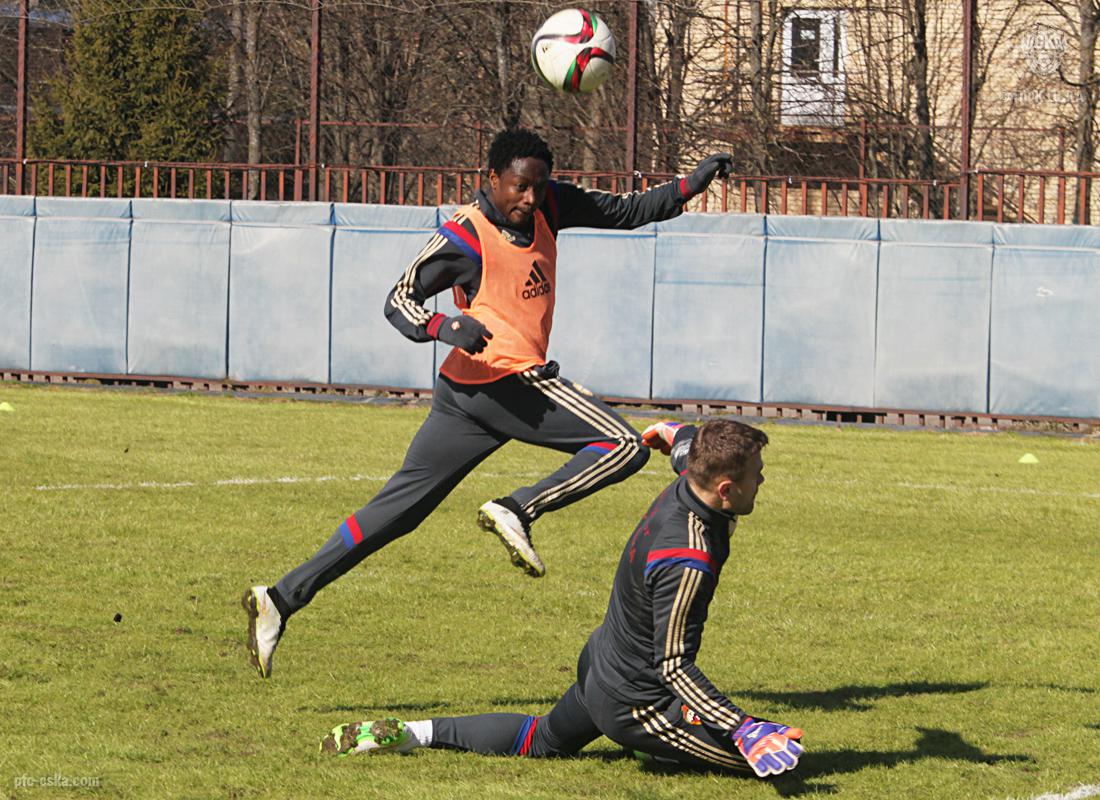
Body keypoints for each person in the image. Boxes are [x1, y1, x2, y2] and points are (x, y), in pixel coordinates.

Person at [242, 128, 735, 679]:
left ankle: (280, 598)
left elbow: (627, 210)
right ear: (492, 179)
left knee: (396, 514)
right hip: (504, 379)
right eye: (519, 187)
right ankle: (517, 508)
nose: (529, 198)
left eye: (538, 186)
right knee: (622, 445)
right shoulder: (465, 235)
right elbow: (399, 299)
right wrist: (443, 325)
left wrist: (690, 185)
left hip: (468, 396)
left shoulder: (549, 204)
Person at [316, 419, 804, 779]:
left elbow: (686, 448)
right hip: (637, 704)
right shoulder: (687, 560)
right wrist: (744, 728)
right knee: (784, 760)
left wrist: (675, 432)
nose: (762, 481)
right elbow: (673, 665)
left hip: (601, 661)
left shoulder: (692, 476)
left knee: (540, 739)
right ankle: (655, 746)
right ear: (725, 488)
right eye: (757, 474)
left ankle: (414, 732)